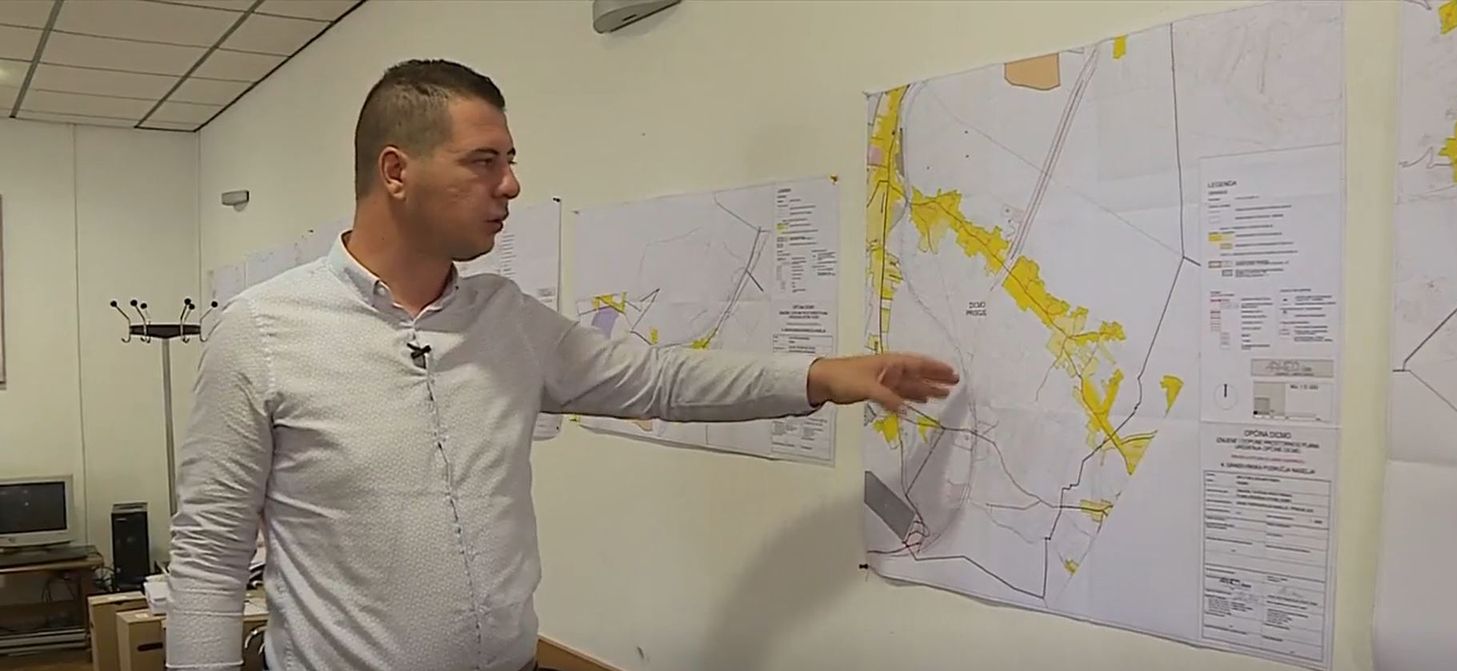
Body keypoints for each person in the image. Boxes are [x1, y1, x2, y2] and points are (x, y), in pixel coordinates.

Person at [164, 58, 957, 671]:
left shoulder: (507, 318)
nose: (510, 185)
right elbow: (209, 554)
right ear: (396, 172)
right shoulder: (262, 331)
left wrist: (819, 376)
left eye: (509, 159)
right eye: (483, 161)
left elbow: (658, 379)